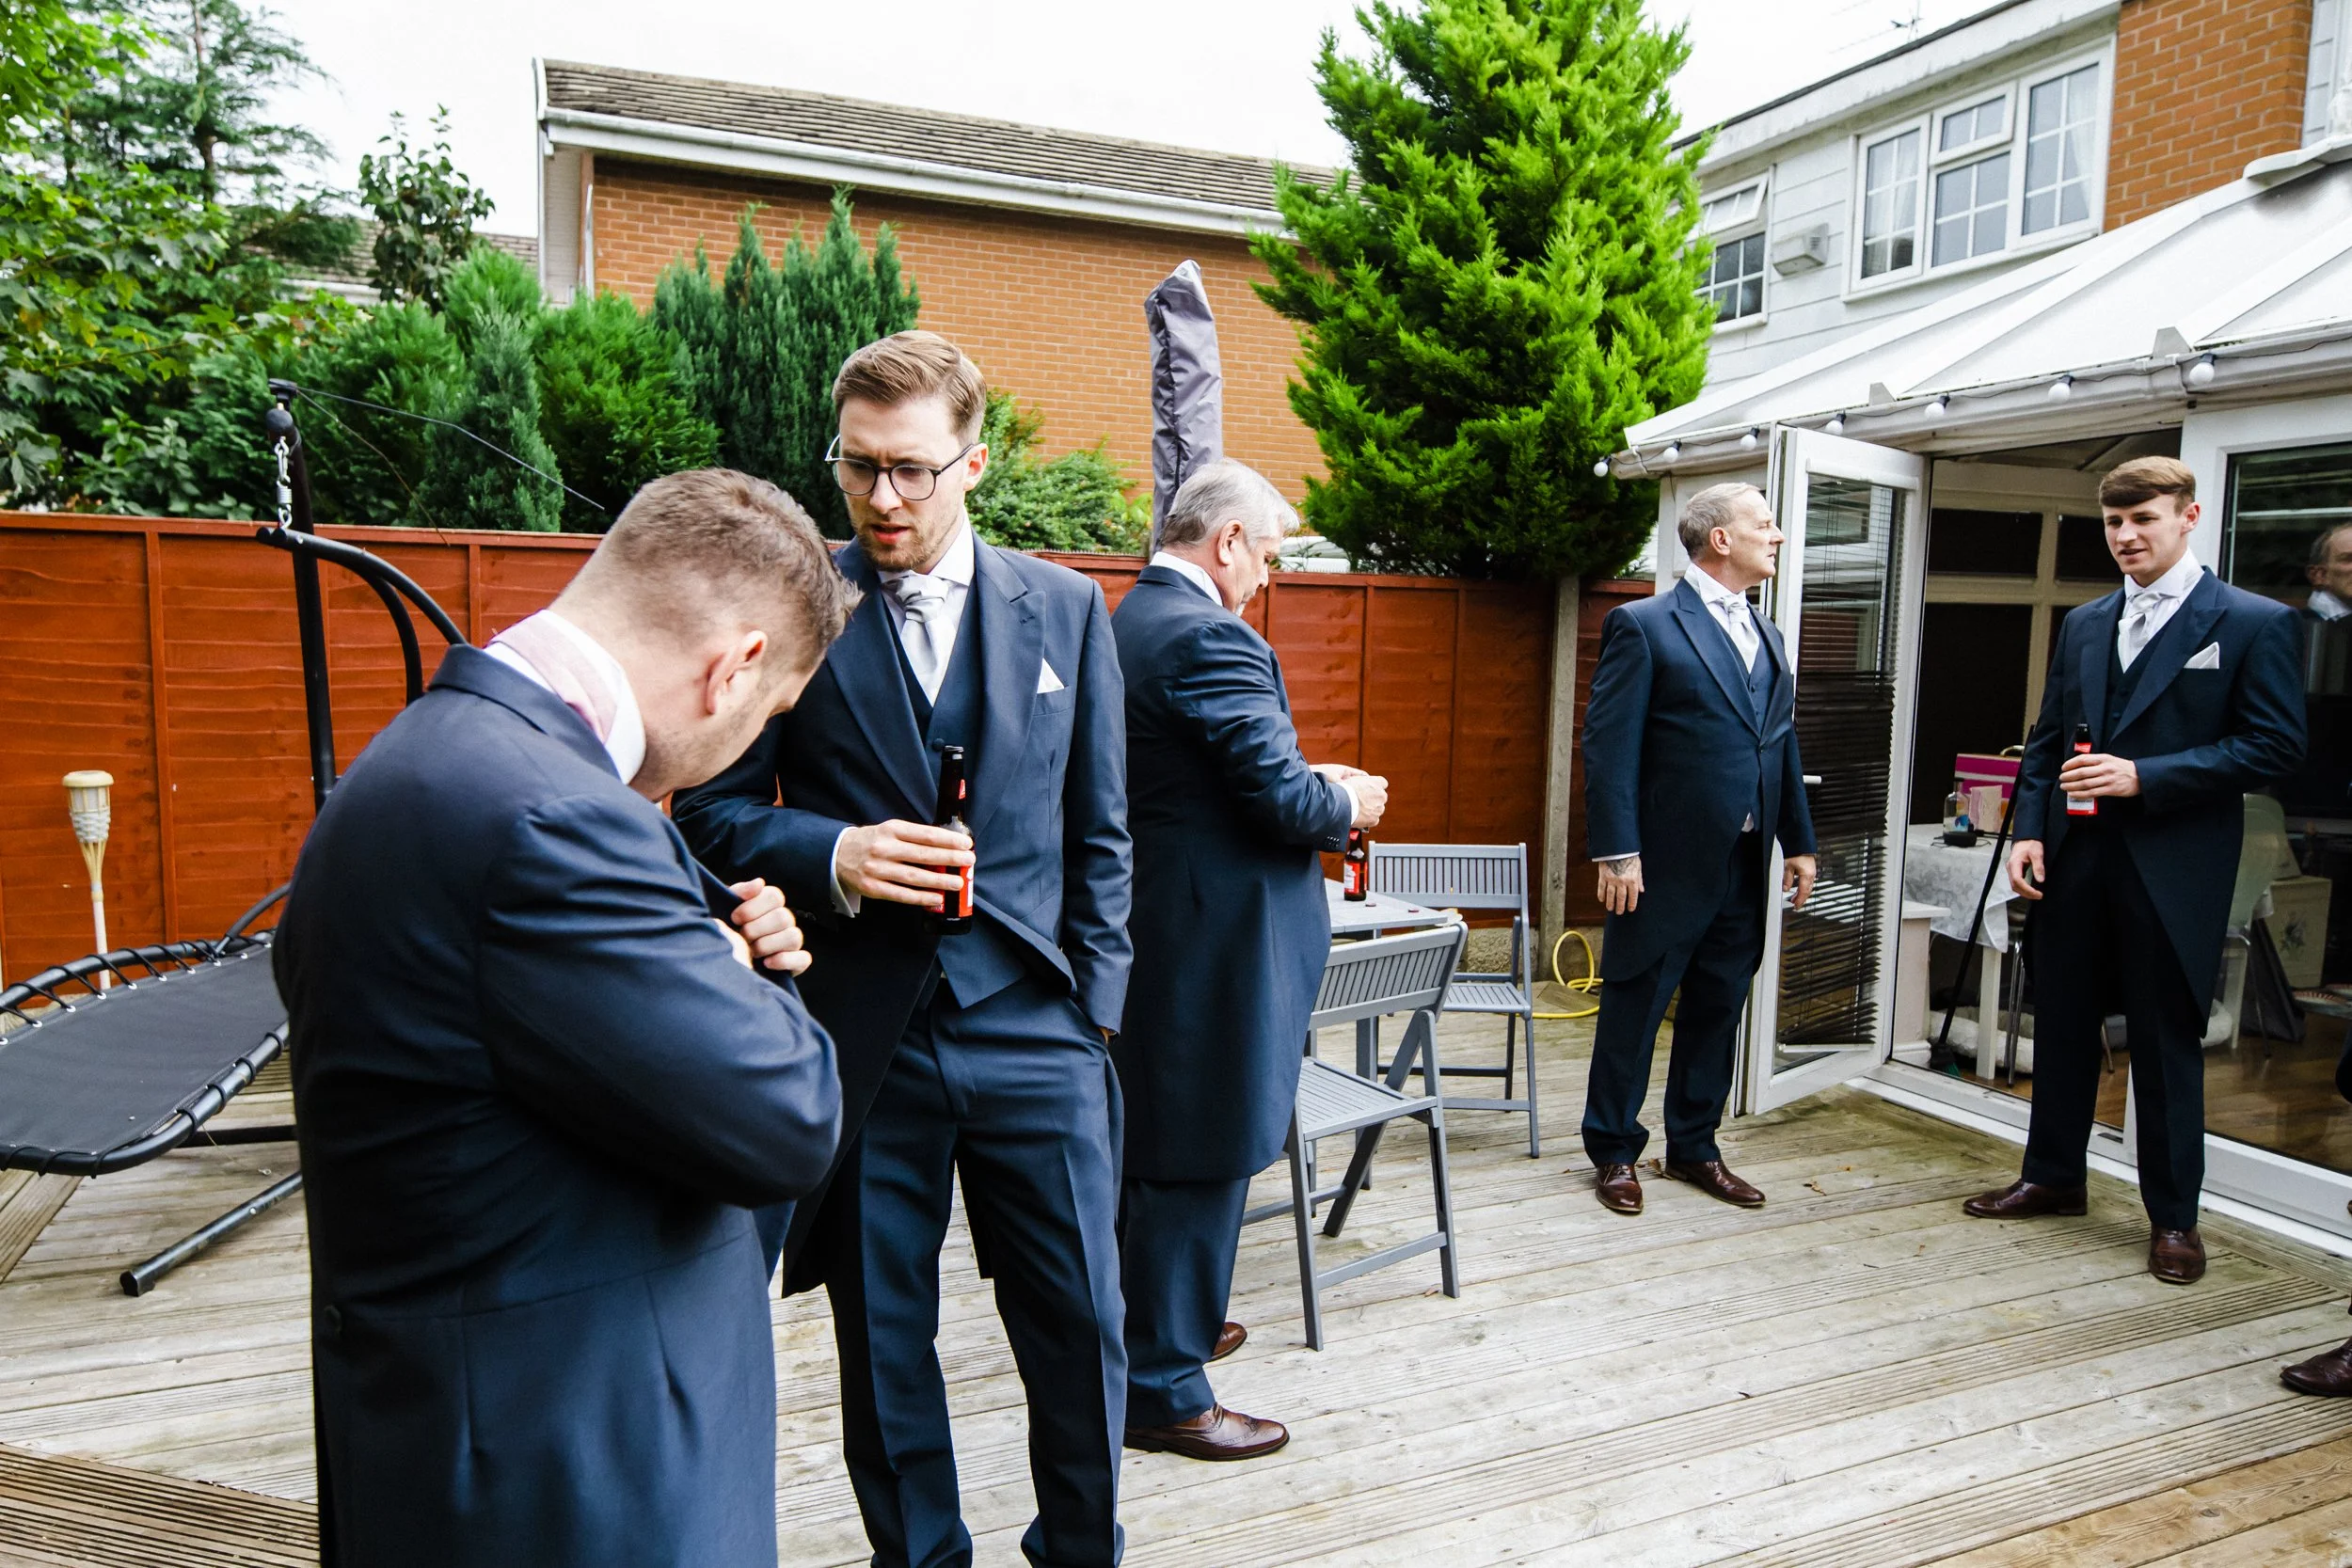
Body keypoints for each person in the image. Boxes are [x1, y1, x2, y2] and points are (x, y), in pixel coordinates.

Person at [273, 469, 854, 1568]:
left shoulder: (416, 760)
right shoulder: (558, 820)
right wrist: (743, 967)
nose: (749, 742)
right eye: (770, 711)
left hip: (447, 1424)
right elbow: (787, 1117)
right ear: (734, 667)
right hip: (570, 1465)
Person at [673, 331, 1132, 1568]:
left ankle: (1082, 1546)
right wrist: (833, 853)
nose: (883, 497)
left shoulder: (1070, 608)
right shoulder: (791, 607)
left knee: (1084, 1319)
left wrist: (1097, 1013)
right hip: (866, 1034)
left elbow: (1104, 829)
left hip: (1041, 1024)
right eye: (859, 466)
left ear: (974, 463)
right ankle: (919, 1557)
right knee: (882, 1331)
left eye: (913, 470)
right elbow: (708, 808)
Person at [1965, 457, 2305, 1285]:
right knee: (2067, 1027)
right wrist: (2029, 832)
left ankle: (2175, 1221)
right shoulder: (2085, 623)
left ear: (2189, 518)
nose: (2125, 537)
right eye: (2114, 523)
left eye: (2143, 520)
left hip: (2173, 869)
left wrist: (2145, 776)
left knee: (2163, 1043)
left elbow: (2275, 746)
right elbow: (2046, 742)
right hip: (2075, 862)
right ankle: (2052, 1176)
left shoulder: (2253, 622)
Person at [1109, 459, 1387, 1462]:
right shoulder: (1207, 637)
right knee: (1202, 1149)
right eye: (1264, 552)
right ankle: (1165, 1386)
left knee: (1155, 1150)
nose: (1265, 574)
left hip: (1161, 933)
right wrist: (1345, 798)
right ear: (1226, 541)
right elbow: (1278, 799)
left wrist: (1304, 779)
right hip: (1211, 950)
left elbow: (1206, 779)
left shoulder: (1126, 620)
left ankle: (1161, 1323)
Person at [1579, 481, 1818, 1216]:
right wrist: (1617, 850)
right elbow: (1608, 744)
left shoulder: (1768, 634)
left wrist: (1798, 843)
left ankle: (1694, 1145)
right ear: (1721, 538)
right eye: (1765, 525)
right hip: (1661, 864)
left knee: (1718, 1005)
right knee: (1636, 1006)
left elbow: (1777, 743)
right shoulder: (1645, 624)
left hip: (1744, 866)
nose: (1775, 536)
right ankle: (1614, 1148)